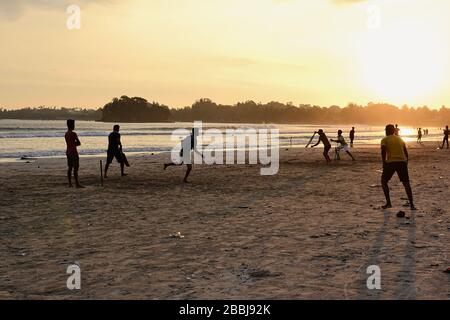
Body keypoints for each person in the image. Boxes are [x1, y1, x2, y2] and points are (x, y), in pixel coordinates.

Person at [381, 124, 416, 210]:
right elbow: (405, 151)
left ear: (386, 131)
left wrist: (384, 163)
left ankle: (388, 203)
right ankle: (412, 205)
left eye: (386, 130)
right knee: (406, 184)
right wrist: (406, 161)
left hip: (391, 163)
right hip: (402, 162)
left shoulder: (384, 139)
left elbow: (383, 151)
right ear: (393, 131)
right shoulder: (400, 139)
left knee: (383, 181)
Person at [65, 119, 84, 188]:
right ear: (72, 125)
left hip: (68, 151)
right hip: (73, 152)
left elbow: (69, 143)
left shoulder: (66, 134)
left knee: (70, 167)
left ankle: (70, 183)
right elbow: (79, 143)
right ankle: (77, 183)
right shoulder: (73, 134)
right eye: (73, 125)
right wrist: (74, 144)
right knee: (76, 168)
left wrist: (72, 144)